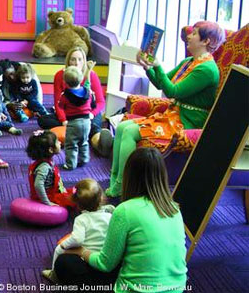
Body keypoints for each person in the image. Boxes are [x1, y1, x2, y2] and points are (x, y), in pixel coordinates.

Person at [106, 21, 224, 197]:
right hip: (174, 115)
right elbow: (161, 82)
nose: (189, 36)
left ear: (206, 41)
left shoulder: (207, 69)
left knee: (129, 132)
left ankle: (124, 185)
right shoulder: (189, 62)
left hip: (187, 121)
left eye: (195, 33)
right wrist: (148, 67)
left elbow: (172, 91)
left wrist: (158, 65)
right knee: (123, 126)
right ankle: (115, 181)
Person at [54, 148, 187, 292]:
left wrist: (81, 251)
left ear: (129, 175)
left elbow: (104, 264)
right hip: (177, 288)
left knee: (64, 262)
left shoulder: (125, 210)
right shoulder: (174, 209)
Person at [38, 48, 109, 157]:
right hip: (69, 114)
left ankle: (99, 143)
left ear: (84, 61)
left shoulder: (91, 75)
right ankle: (81, 132)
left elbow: (100, 102)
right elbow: (58, 103)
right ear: (68, 61)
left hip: (88, 113)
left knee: (93, 125)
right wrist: (63, 120)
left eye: (80, 60)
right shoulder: (60, 75)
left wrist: (91, 114)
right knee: (43, 120)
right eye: (73, 59)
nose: (76, 63)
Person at [41, 179, 115, 284]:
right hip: (104, 255)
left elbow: (77, 239)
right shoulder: (110, 216)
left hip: (86, 257)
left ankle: (54, 275)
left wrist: (64, 245)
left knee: (59, 249)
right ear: (101, 198)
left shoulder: (81, 219)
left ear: (78, 204)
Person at [59, 62, 96, 170]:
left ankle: (71, 164)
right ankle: (84, 159)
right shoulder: (87, 91)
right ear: (81, 80)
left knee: (71, 144)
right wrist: (88, 70)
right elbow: (88, 83)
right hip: (86, 122)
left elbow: (60, 105)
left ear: (65, 82)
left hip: (73, 123)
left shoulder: (65, 95)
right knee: (84, 141)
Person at [26, 130, 75, 207]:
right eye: (57, 141)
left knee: (75, 191)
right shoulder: (44, 167)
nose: (59, 143)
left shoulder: (45, 162)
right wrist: (47, 202)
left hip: (54, 192)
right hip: (51, 197)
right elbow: (38, 185)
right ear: (51, 150)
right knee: (77, 198)